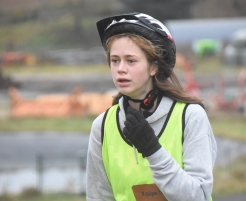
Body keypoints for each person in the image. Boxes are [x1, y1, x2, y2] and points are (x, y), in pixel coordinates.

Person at [86, 12, 217, 201]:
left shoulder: (190, 117)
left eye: (131, 60)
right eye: (115, 60)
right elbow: (98, 197)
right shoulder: (102, 126)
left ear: (154, 67)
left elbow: (199, 197)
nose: (121, 68)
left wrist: (153, 150)